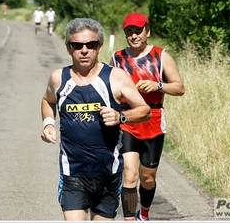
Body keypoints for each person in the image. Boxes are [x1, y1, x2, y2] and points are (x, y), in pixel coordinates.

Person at [41, 18, 151, 221]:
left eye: (90, 45)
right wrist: (48, 123)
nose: (84, 50)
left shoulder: (115, 77)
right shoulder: (59, 78)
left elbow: (145, 110)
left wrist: (121, 116)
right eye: (77, 45)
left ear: (99, 47)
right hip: (73, 173)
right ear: (68, 48)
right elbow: (48, 101)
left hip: (108, 174)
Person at [109, 12, 185, 221]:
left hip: (153, 120)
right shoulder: (117, 58)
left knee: (147, 179)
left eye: (138, 31)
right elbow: (108, 87)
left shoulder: (161, 56)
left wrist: (157, 85)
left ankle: (144, 213)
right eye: (129, 32)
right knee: (130, 175)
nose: (134, 36)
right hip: (128, 120)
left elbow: (179, 88)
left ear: (147, 32)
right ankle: (129, 219)